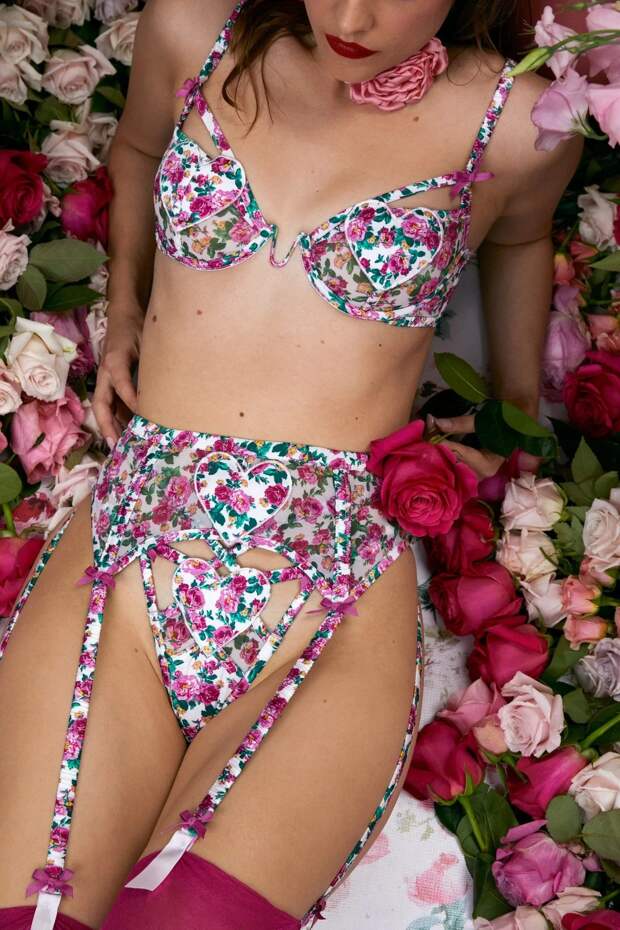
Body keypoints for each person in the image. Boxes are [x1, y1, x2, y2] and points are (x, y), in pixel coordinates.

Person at [0, 1, 583, 929]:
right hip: (130, 554)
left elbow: (516, 235)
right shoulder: (193, 32)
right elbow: (139, 150)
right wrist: (125, 311)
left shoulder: (518, 121)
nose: (352, 14)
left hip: (330, 602)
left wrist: (511, 412)